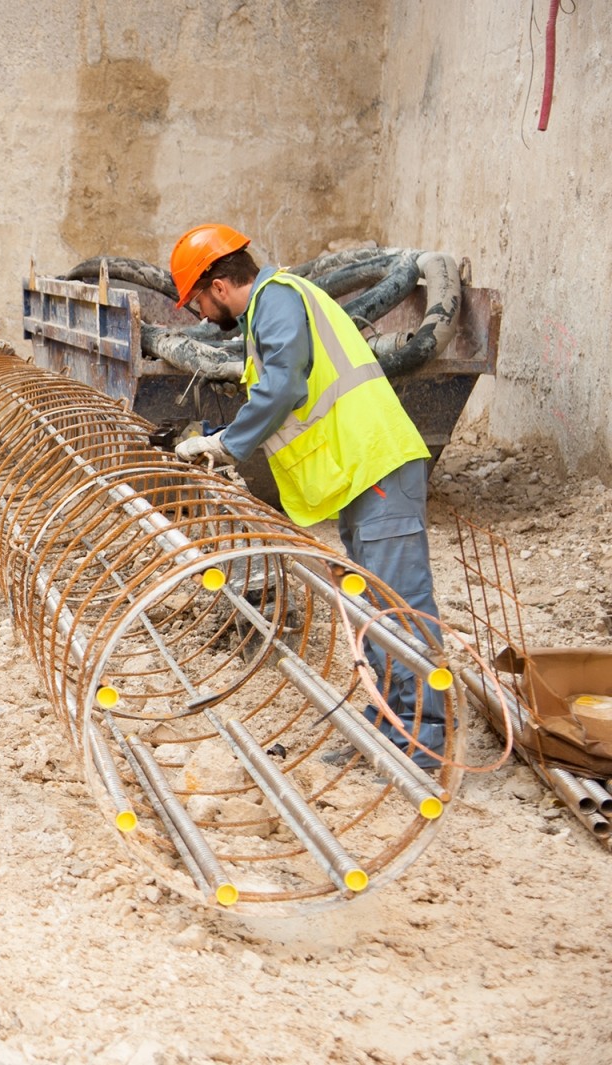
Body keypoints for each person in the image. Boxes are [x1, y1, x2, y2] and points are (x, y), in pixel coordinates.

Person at [168, 222, 445, 770]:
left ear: (219, 286)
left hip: (375, 463)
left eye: (197, 301)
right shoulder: (273, 308)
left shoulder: (277, 300)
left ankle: (424, 738)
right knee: (374, 601)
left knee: (400, 603)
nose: (200, 316)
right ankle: (390, 721)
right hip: (359, 470)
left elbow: (284, 388)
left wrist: (225, 445)